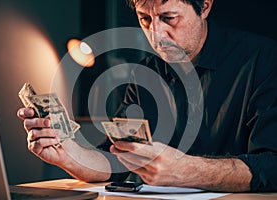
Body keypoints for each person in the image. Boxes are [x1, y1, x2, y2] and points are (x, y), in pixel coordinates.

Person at [17, 0, 277, 192]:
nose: (156, 35)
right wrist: (67, 153)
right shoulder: (144, 73)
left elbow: (272, 166)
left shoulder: (264, 61)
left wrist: (184, 170)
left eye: (169, 18)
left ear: (205, 6)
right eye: (145, 19)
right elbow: (116, 159)